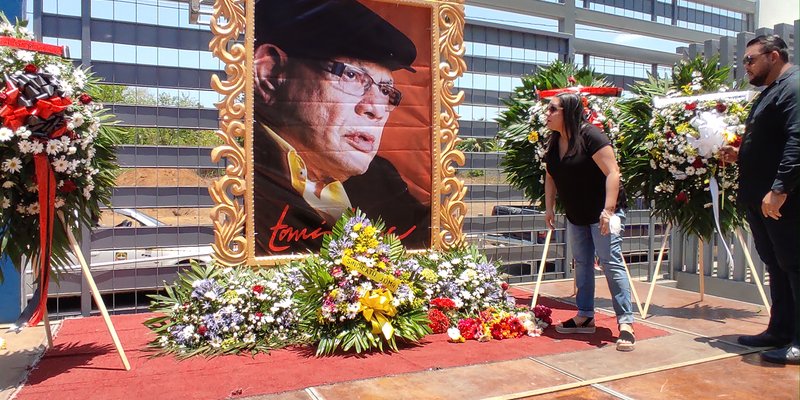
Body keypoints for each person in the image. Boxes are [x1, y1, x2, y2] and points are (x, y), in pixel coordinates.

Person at [251, 0, 431, 256]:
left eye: (387, 91)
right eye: (351, 76)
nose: (377, 109)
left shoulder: (382, 179)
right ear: (270, 74)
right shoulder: (240, 173)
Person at [720, 34, 799, 365]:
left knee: (796, 265)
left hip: (785, 199)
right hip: (760, 197)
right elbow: (772, 144)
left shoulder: (794, 88)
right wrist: (739, 154)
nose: (745, 67)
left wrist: (779, 189)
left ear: (774, 56)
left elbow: (798, 140)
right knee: (777, 265)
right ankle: (780, 330)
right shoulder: (771, 93)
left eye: (751, 60)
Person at [543, 93, 635, 351]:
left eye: (552, 109)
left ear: (568, 111)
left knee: (610, 263)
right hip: (576, 214)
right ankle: (585, 315)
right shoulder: (554, 142)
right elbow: (550, 176)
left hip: (603, 214)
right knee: (581, 263)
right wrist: (549, 207)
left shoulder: (590, 136)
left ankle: (626, 324)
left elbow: (613, 173)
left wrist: (608, 211)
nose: (547, 114)